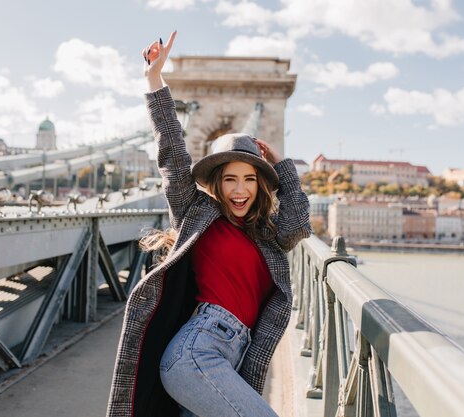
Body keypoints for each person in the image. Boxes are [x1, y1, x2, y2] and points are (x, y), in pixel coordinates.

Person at [106, 31, 311, 417]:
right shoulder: (196, 212)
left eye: (250, 179)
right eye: (230, 179)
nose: (240, 190)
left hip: (234, 355)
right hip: (196, 351)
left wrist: (283, 166)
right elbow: (171, 152)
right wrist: (154, 81)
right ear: (215, 181)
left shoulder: (267, 235)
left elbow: (297, 225)